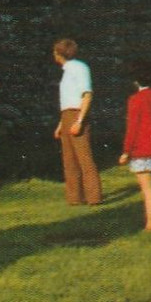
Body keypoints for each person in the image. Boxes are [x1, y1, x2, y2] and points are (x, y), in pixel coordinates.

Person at [118, 58, 151, 231]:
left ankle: (150, 224)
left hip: (142, 151)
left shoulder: (135, 100)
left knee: (147, 191)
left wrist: (126, 151)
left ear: (135, 81)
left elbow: (132, 128)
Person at [52, 37, 102, 205]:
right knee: (69, 159)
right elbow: (67, 100)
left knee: (84, 157)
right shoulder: (66, 71)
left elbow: (86, 94)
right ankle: (75, 198)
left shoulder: (79, 68)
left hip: (77, 114)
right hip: (67, 115)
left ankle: (94, 197)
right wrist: (61, 124)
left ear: (60, 53)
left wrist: (79, 120)